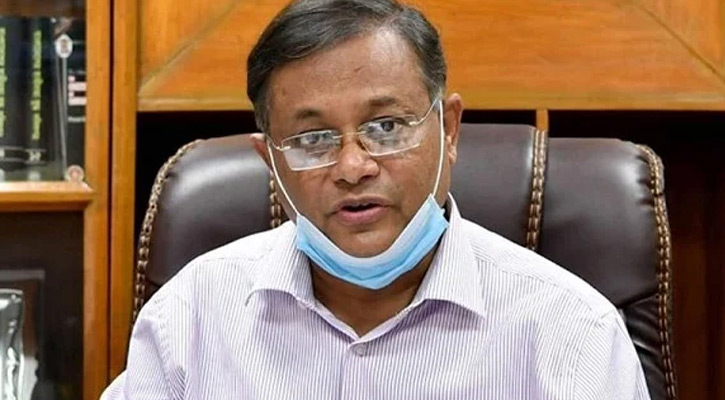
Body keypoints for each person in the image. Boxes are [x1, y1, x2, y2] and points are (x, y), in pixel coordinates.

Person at [102, 0, 651, 398]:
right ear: (270, 161)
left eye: (387, 127)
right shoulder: (189, 319)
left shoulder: (572, 335)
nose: (353, 167)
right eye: (313, 139)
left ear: (450, 130)